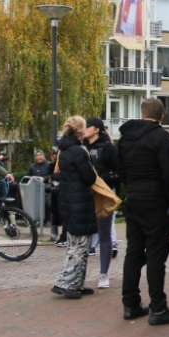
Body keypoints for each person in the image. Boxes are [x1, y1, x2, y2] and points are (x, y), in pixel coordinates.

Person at [116, 98, 169, 325]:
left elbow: (120, 169)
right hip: (155, 202)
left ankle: (130, 304)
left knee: (134, 252)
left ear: (141, 113)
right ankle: (158, 308)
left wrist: (131, 188)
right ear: (161, 116)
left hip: (133, 199)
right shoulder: (162, 137)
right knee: (155, 256)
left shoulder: (125, 138)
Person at [51, 116, 99, 299]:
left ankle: (77, 283)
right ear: (80, 131)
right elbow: (89, 177)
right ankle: (65, 282)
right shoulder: (79, 151)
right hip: (80, 201)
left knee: (74, 242)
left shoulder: (64, 150)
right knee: (80, 245)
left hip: (68, 200)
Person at [84, 117, 119, 289]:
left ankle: (103, 274)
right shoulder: (81, 147)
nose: (84, 129)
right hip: (85, 194)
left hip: (103, 194)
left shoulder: (108, 148)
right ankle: (79, 274)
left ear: (96, 129)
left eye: (87, 127)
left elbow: (120, 170)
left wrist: (106, 179)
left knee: (104, 233)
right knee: (83, 234)